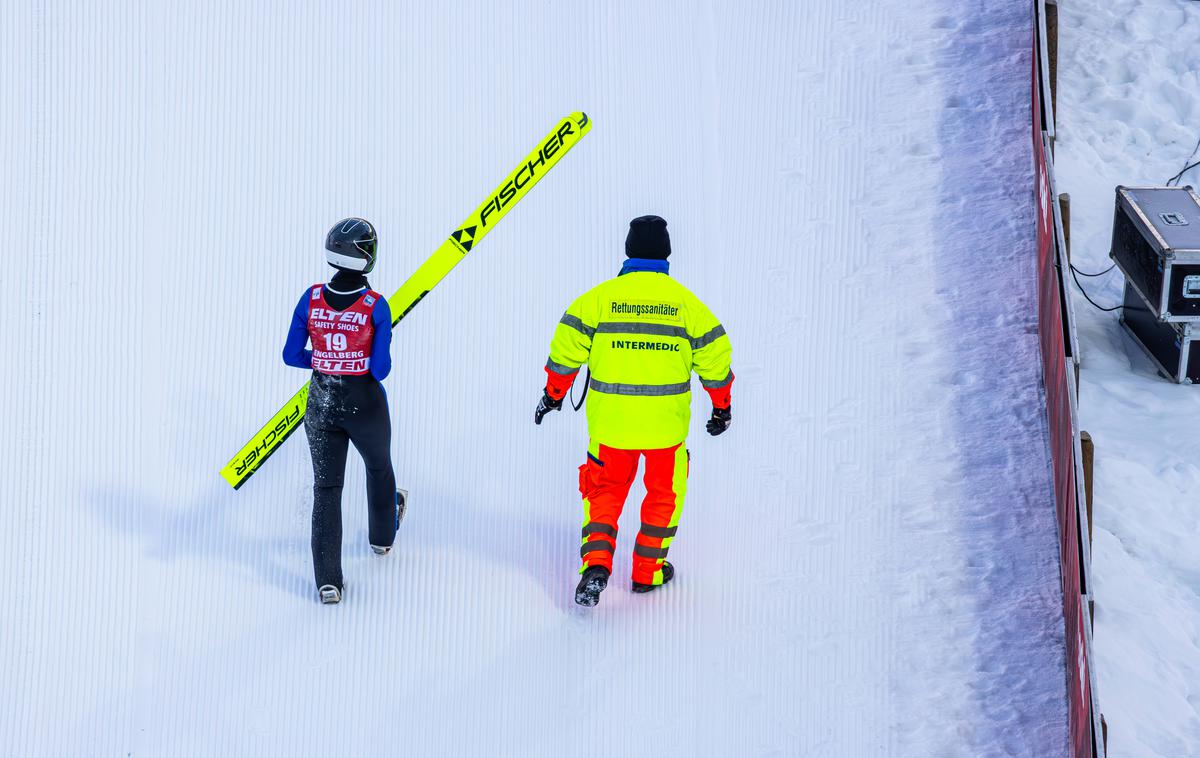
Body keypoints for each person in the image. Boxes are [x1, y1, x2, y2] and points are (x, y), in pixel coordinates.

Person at [535, 215, 734, 607]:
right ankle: (648, 573)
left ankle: (596, 563)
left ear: (628, 252)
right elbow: (717, 362)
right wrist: (721, 409)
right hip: (665, 430)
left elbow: (564, 354)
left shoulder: (597, 301)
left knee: (604, 491)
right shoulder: (688, 306)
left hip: (611, 427)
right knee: (664, 495)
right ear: (667, 255)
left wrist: (553, 395)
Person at [283, 218, 403, 605]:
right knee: (378, 466)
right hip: (365, 404)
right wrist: (355, 355)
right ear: (367, 258)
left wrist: (323, 359)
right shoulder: (375, 306)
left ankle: (327, 582)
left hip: (321, 404)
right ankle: (382, 540)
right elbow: (380, 368)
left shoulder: (311, 298)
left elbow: (290, 355)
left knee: (327, 489)